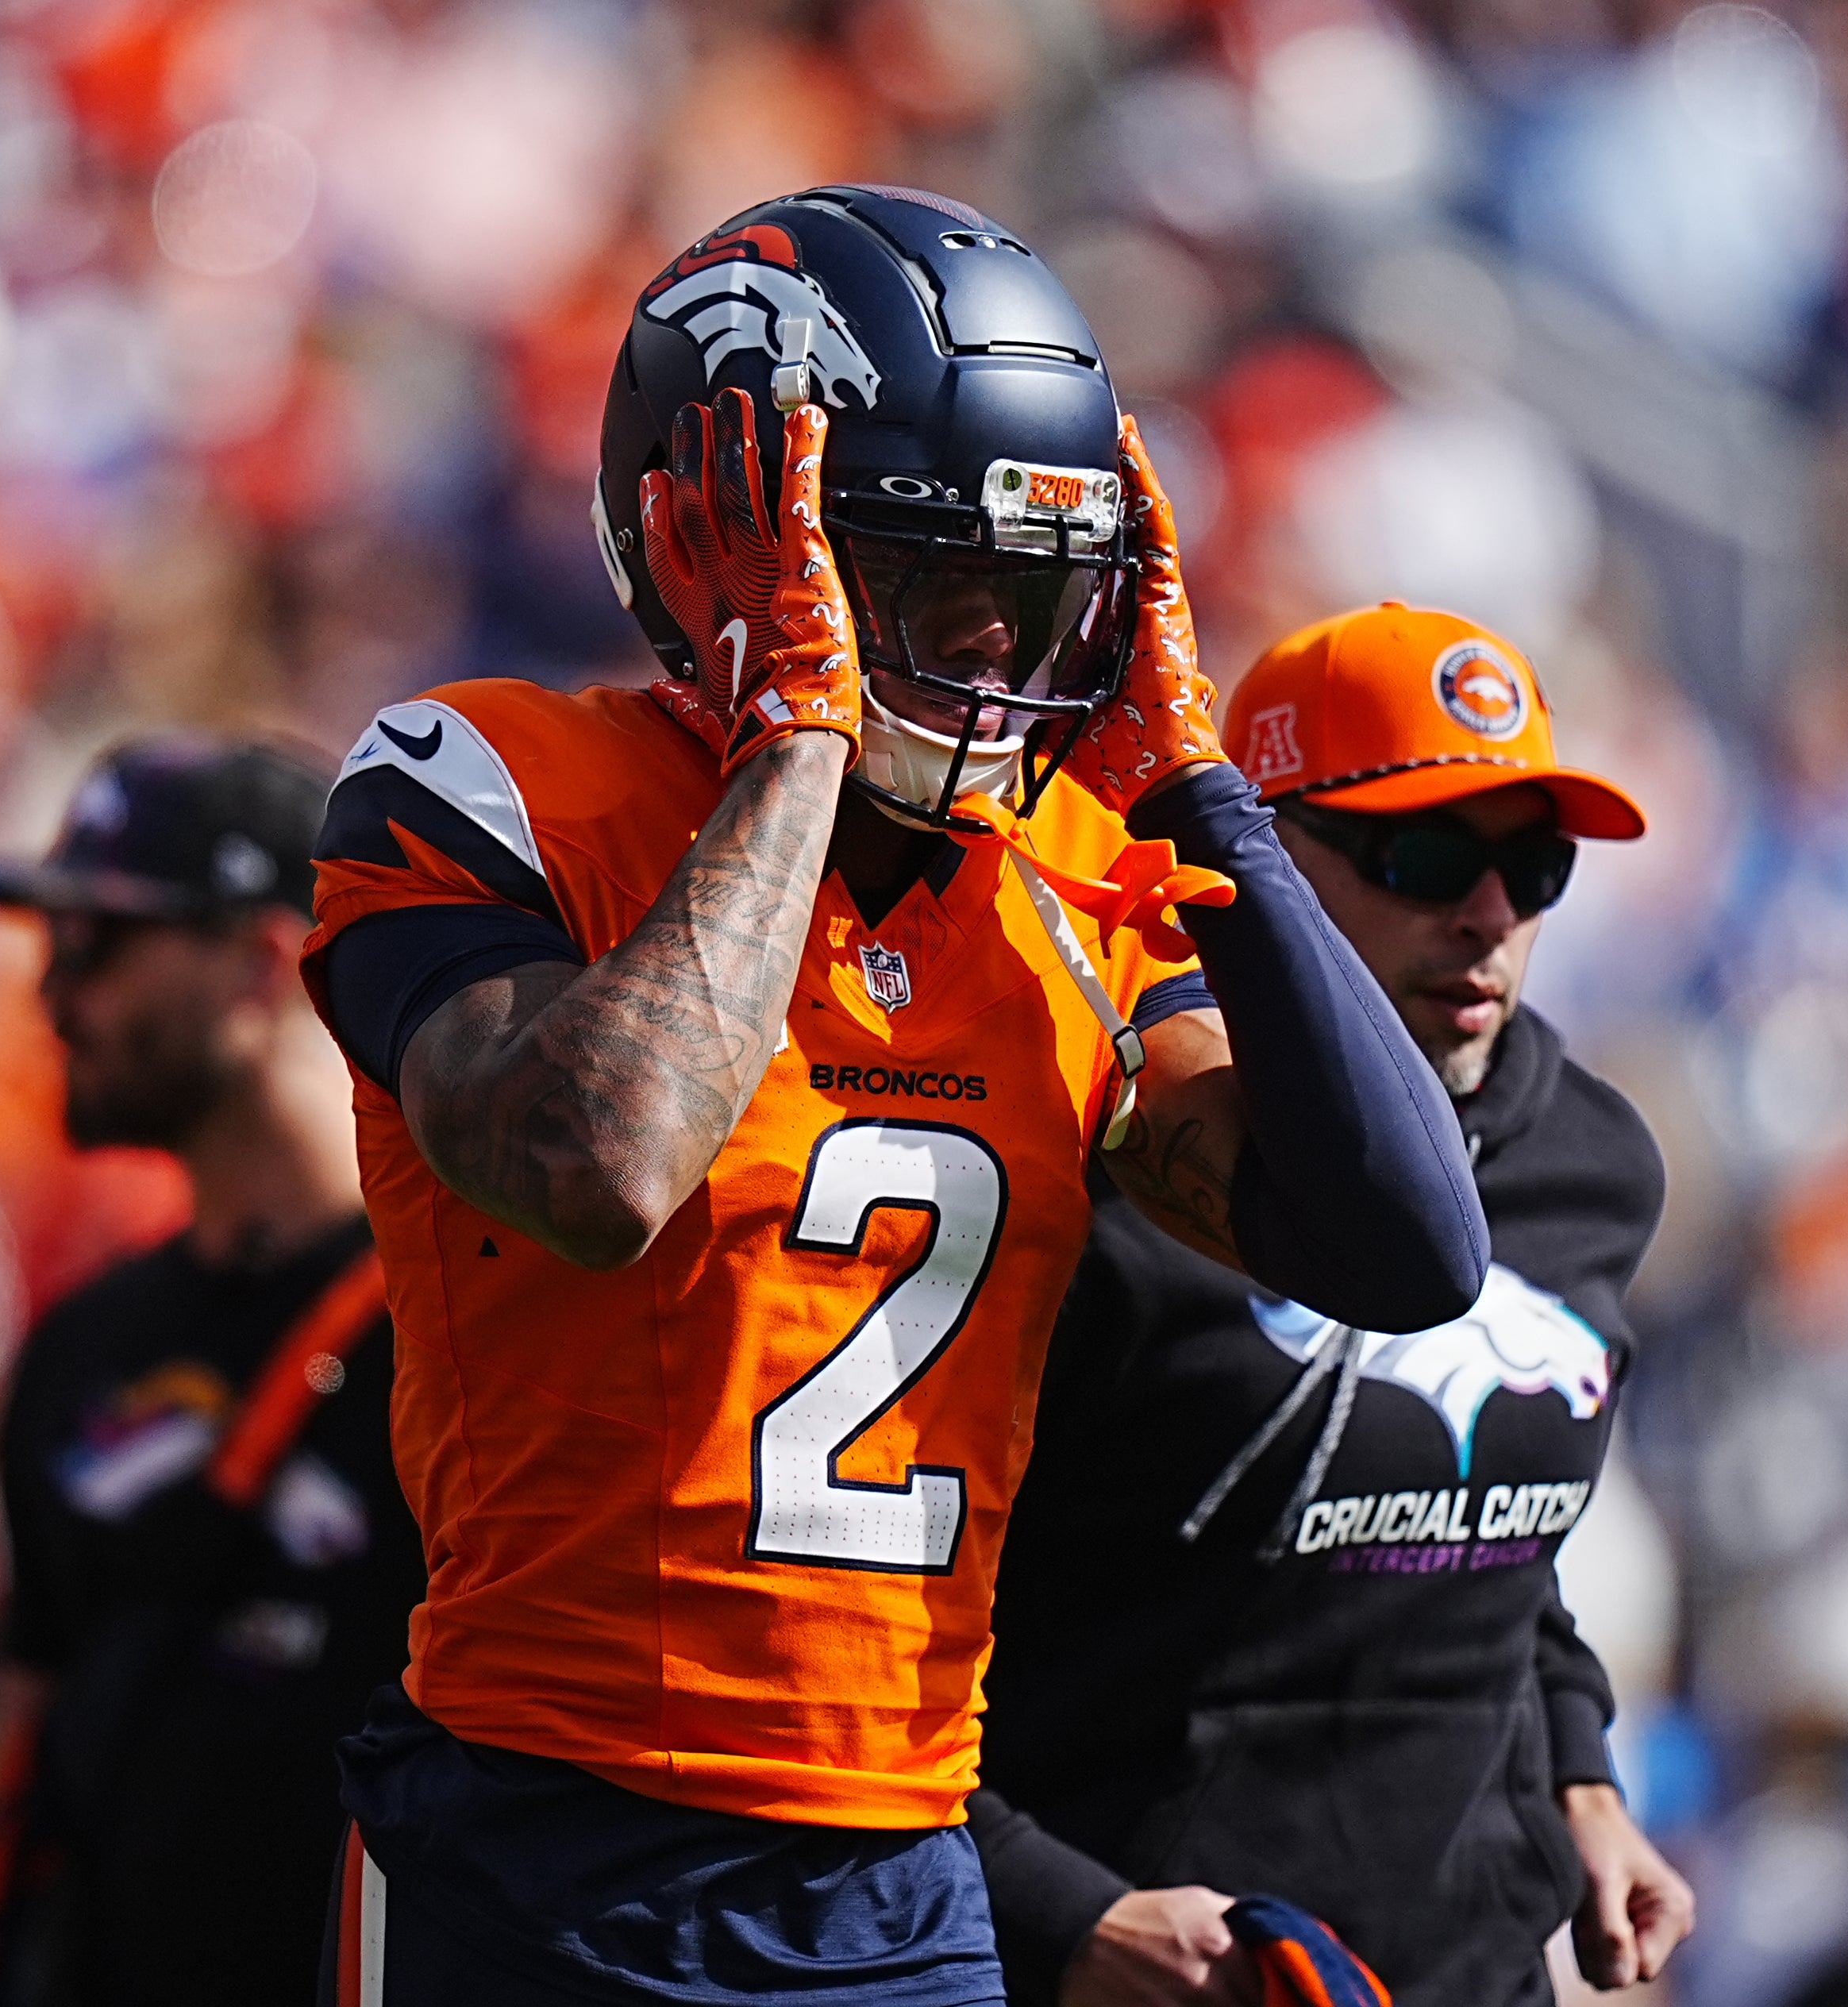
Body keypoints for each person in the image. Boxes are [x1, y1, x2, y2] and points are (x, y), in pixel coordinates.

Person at [295, 187, 1487, 2006]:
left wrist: (1200, 795)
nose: (1004, 660)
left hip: (899, 1872)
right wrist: (797, 741)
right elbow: (602, 1164)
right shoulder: (492, 783)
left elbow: (1407, 1244)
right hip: (540, 1847)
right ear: (727, 544)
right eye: (947, 590)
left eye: (1042, 597)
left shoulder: (1070, 880)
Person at [969, 602, 1700, 2007]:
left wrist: (1585, 1785)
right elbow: (894, 1599)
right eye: (1425, 853)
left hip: (1464, 1968)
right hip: (1154, 1965)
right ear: (1265, 859)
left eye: (1532, 864)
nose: (1486, 912)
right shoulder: (1124, 1158)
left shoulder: (1598, 1163)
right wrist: (1064, 1916)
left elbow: (1496, 1546)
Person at [0, 738, 424, 2007]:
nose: (53, 997)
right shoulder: (79, 1353)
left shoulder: (459, 1329)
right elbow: (34, 1755)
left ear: (264, 962)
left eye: (96, 945)